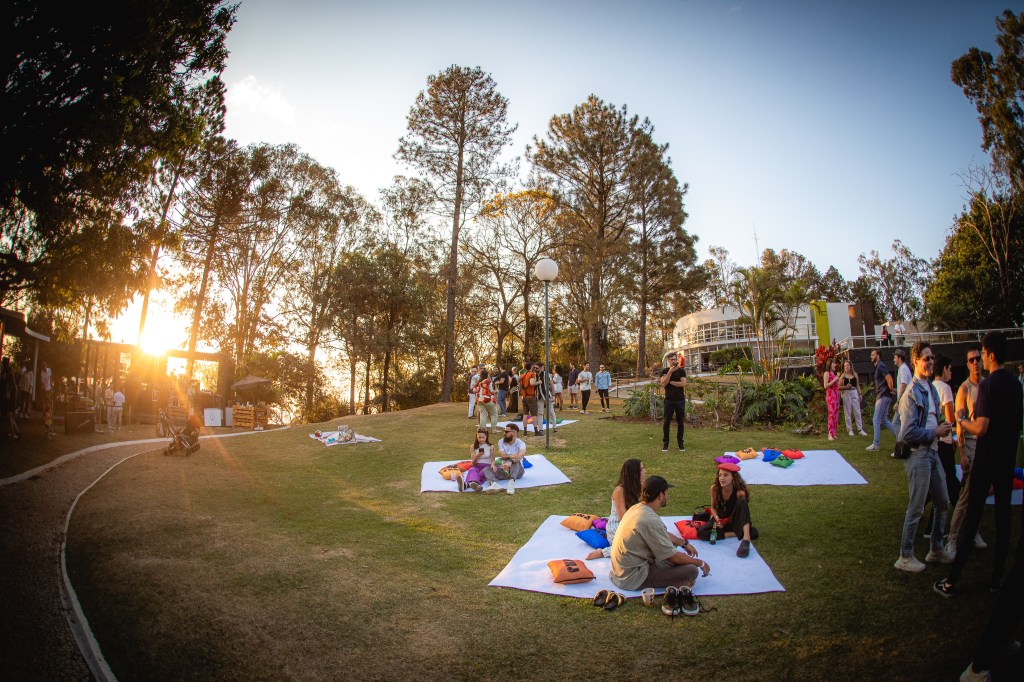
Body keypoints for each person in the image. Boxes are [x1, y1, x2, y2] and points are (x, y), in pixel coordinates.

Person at [936, 331, 1023, 596]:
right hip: (1007, 459)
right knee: (1003, 518)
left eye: (982, 354)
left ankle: (951, 580)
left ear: (991, 355)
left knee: (972, 516)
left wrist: (961, 420)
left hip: (986, 460)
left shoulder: (987, 385)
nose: (980, 359)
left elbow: (982, 426)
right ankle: (997, 578)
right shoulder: (1016, 384)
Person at [893, 341, 952, 573]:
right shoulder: (912, 393)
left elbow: (930, 419)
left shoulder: (931, 388)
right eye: (926, 358)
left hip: (933, 452)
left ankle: (936, 548)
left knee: (942, 502)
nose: (930, 362)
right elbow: (906, 433)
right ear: (915, 361)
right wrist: (934, 432)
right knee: (916, 507)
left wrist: (941, 430)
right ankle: (905, 555)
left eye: (931, 358)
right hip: (918, 455)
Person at [609, 475, 708, 600]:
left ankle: (674, 579)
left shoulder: (637, 508)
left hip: (620, 571)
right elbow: (673, 558)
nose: (667, 496)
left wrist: (683, 543)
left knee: (673, 554)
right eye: (666, 493)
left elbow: (662, 534)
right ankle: (677, 582)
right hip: (632, 577)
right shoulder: (649, 519)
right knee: (691, 570)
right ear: (661, 495)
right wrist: (700, 563)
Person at [946, 345, 988, 556]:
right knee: (966, 495)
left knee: (979, 494)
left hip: (986, 443)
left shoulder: (987, 386)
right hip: (970, 443)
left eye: (977, 359)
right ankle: (952, 539)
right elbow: (959, 422)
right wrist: (962, 451)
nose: (975, 363)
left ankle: (973, 531)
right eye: (971, 360)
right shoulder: (964, 389)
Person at [922, 356, 957, 544]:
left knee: (937, 482)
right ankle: (936, 528)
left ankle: (920, 513)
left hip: (932, 440)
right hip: (943, 440)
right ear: (944, 369)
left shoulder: (929, 386)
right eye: (950, 369)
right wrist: (952, 438)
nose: (950, 372)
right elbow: (949, 418)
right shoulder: (945, 389)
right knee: (948, 484)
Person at [586, 458, 646, 561]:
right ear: (634, 474)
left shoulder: (641, 487)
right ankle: (604, 552)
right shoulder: (619, 491)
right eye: (641, 469)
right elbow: (623, 518)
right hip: (619, 525)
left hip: (634, 523)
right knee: (637, 546)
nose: (645, 471)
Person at [695, 462, 758, 557]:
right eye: (720, 475)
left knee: (743, 503)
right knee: (701, 533)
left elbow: (743, 511)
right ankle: (734, 533)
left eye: (725, 475)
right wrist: (717, 519)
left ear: (733, 477)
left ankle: (746, 539)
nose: (722, 478)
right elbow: (713, 507)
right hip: (719, 519)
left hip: (733, 519)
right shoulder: (715, 489)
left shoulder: (739, 492)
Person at [866, 349, 897, 451]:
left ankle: (876, 444)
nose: (871, 356)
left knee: (876, 419)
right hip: (884, 395)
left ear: (878, 356)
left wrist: (891, 389)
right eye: (870, 355)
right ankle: (900, 438)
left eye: (873, 354)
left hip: (883, 395)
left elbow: (889, 378)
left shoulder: (880, 365)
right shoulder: (879, 366)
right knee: (883, 419)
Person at [460, 428, 502, 493]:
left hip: (486, 466)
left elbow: (493, 459)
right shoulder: (473, 446)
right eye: (479, 437)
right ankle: (473, 484)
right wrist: (477, 456)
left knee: (481, 473)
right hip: (477, 465)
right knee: (472, 470)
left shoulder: (491, 446)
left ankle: (468, 484)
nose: (481, 439)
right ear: (476, 436)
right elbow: (473, 463)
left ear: (486, 437)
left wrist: (493, 465)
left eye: (483, 437)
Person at [659, 353, 686, 452]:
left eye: (675, 359)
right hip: (668, 401)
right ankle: (665, 444)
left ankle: (680, 443)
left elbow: (683, 384)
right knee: (666, 423)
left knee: (680, 423)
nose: (673, 361)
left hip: (679, 401)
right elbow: (663, 383)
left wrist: (671, 382)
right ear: (668, 361)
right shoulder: (665, 371)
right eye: (671, 360)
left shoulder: (681, 371)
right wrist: (670, 373)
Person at [493, 423, 527, 495]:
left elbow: (521, 454)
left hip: (518, 472)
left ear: (514, 433)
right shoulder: (501, 441)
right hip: (505, 471)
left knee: (516, 461)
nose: (504, 433)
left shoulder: (521, 443)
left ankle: (511, 483)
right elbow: (502, 456)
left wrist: (510, 461)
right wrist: (511, 456)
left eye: (506, 432)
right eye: (504, 431)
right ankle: (494, 485)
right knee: (486, 469)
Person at [839, 360, 867, 436]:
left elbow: (857, 385)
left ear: (851, 366)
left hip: (854, 392)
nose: (846, 367)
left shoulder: (855, 374)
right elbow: (838, 386)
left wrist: (860, 394)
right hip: (846, 393)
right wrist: (845, 387)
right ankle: (849, 429)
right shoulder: (843, 376)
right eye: (845, 366)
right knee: (847, 412)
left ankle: (860, 429)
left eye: (847, 365)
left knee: (857, 411)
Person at [1, 357, 21, 440]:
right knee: (11, 415)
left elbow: (7, 385)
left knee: (10, 415)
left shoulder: (7, 372)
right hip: (13, 395)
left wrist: (6, 396)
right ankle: (17, 432)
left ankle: (13, 435)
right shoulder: (11, 371)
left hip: (10, 396)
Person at [823, 357, 841, 441]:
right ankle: (830, 433)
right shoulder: (826, 373)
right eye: (833, 363)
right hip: (831, 396)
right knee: (831, 414)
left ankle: (834, 433)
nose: (835, 365)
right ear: (830, 364)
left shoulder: (833, 374)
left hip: (836, 395)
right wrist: (835, 379)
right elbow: (825, 386)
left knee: (836, 414)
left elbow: (837, 385)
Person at [519, 364, 539, 436]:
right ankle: (536, 431)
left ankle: (525, 431)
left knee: (525, 414)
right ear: (531, 367)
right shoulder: (531, 374)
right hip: (531, 396)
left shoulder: (523, 374)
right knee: (534, 414)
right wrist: (539, 382)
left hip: (524, 396)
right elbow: (532, 383)